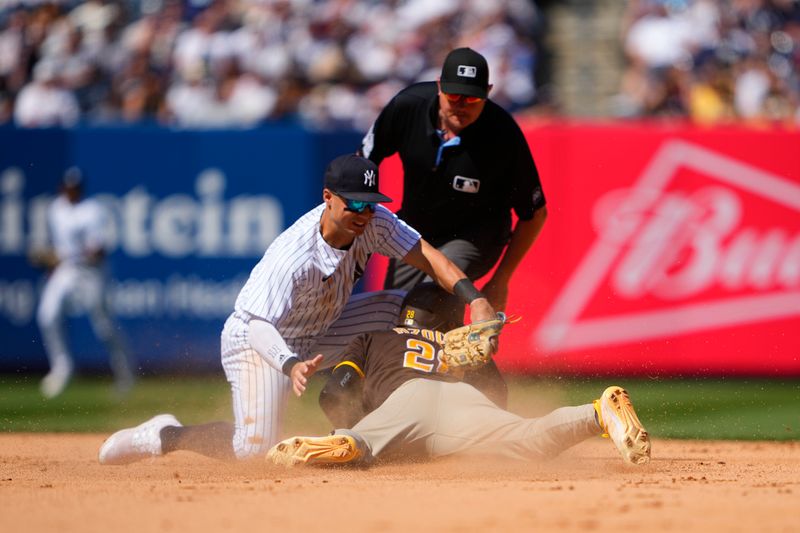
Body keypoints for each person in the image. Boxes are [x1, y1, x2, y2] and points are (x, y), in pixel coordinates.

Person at [97, 154, 497, 464]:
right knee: (252, 449)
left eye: (371, 203)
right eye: (354, 203)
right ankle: (165, 435)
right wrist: (290, 365)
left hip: (322, 330)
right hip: (260, 343)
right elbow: (256, 326)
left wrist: (475, 299)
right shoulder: (294, 255)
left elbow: (429, 257)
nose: (363, 213)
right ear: (328, 198)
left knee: (407, 311)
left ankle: (402, 415)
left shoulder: (374, 222)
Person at [266, 283, 651, 467]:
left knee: (362, 445)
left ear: (403, 316)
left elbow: (334, 393)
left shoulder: (372, 337)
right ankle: (598, 413)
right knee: (529, 439)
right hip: (464, 400)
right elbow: (497, 395)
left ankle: (343, 443)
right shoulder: (463, 345)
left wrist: (362, 423)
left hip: (405, 400)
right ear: (453, 324)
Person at [359, 47, 548, 407]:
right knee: (394, 319)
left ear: (488, 93)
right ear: (438, 87)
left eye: (473, 99)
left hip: (475, 236)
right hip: (413, 235)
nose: (461, 105)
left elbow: (535, 214)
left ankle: (480, 402)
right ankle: (380, 408)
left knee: (431, 297)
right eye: (454, 96)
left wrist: (501, 279)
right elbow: (364, 160)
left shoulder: (502, 135)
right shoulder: (407, 107)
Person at [34, 167, 135, 399]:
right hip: (67, 271)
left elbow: (98, 251)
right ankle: (62, 366)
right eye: (68, 187)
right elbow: (57, 247)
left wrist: (69, 255)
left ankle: (125, 373)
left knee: (104, 327)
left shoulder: (91, 211)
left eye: (75, 188)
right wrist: (51, 260)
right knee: (47, 314)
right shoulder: (55, 209)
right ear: (62, 188)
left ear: (81, 189)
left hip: (92, 273)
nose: (72, 191)